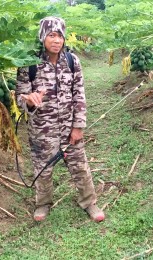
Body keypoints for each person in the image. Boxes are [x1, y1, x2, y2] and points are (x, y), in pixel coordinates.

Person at [15, 16, 105, 222]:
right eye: (51, 36)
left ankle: (89, 202)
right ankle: (43, 204)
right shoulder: (29, 64)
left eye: (60, 36)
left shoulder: (73, 61)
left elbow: (79, 95)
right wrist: (29, 101)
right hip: (41, 128)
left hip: (68, 126)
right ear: (43, 37)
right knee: (43, 168)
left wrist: (78, 126)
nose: (56, 41)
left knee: (79, 164)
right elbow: (21, 96)